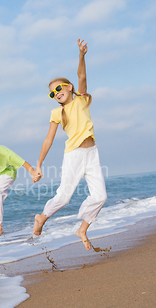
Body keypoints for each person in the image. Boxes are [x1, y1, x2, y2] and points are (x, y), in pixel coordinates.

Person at [32, 39, 107, 251]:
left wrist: (81, 56)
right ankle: (42, 218)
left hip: (91, 153)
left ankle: (82, 229)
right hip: (73, 155)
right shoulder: (57, 113)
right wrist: (38, 165)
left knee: (100, 196)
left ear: (70, 87)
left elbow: (82, 75)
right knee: (64, 197)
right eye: (52, 93)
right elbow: (48, 140)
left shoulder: (81, 100)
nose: (56, 93)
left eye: (58, 88)